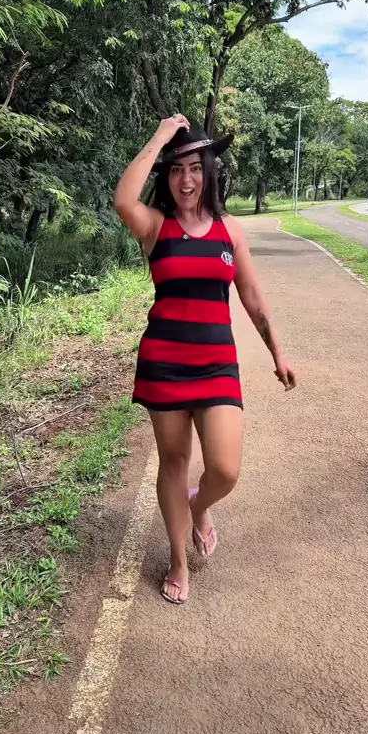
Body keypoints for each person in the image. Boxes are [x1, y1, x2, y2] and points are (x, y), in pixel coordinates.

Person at [114, 114, 296, 605]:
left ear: (209, 172)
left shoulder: (229, 230)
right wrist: (159, 137)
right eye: (176, 169)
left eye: (195, 167)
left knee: (225, 468)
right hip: (165, 364)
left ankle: (200, 506)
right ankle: (177, 558)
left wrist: (277, 351)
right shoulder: (156, 227)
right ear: (167, 177)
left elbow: (253, 298)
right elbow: (123, 200)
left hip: (217, 365)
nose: (186, 179)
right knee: (173, 461)